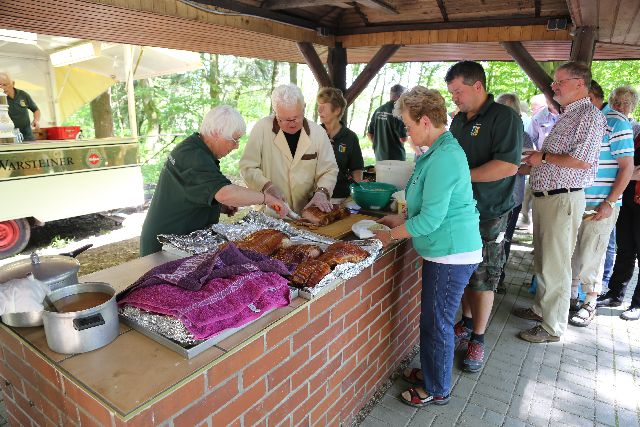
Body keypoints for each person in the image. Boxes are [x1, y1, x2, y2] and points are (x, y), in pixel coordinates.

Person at [373, 86, 481, 408]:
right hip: (444, 250)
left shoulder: (445, 155)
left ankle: (437, 389)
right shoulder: (434, 150)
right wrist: (399, 220)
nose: (405, 133)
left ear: (424, 121)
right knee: (434, 320)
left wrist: (392, 236)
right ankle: (434, 372)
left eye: (407, 125)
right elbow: (424, 204)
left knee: (438, 324)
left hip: (451, 252)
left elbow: (432, 220)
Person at [514, 62, 606, 342]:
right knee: (544, 261)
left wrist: (541, 158)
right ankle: (542, 309)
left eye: (559, 82)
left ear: (580, 84)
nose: (553, 87)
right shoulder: (568, 115)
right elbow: (560, 158)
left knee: (556, 265)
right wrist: (535, 160)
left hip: (562, 198)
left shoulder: (589, 116)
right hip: (549, 197)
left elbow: (582, 160)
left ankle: (553, 326)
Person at [446, 61, 522, 372]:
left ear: (478, 86)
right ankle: (464, 322)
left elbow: (508, 167)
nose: (455, 98)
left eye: (458, 92)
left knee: (484, 276)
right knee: (463, 270)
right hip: (460, 210)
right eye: (451, 93)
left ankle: (478, 338)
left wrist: (463, 177)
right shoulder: (458, 120)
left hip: (490, 211)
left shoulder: (506, 118)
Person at [140, 105, 289, 256]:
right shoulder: (194, 157)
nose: (236, 146)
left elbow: (194, 190)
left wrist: (218, 206)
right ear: (217, 133)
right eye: (234, 140)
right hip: (163, 246)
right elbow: (226, 193)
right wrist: (266, 198)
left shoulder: (195, 149)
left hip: (177, 241)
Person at [567, 83, 635, 327]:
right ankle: (571, 298)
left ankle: (590, 302)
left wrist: (609, 202)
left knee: (592, 253)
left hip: (601, 204)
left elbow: (627, 167)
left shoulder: (617, 123)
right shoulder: (587, 119)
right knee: (573, 251)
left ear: (591, 96)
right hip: (576, 199)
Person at [240, 84, 338, 213]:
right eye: (285, 119)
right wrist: (267, 187)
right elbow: (247, 167)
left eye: (296, 117)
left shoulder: (318, 132)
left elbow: (329, 169)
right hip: (270, 213)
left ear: (304, 108)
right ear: (275, 113)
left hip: (307, 211)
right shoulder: (262, 128)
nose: (292, 124)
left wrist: (322, 192)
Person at [597, 87, 640, 321]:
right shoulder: (621, 128)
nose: (621, 107)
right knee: (624, 249)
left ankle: (637, 304)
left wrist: (627, 171)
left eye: (626, 103)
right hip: (626, 198)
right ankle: (615, 294)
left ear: (633, 106)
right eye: (617, 102)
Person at [495, 93, 534, 294]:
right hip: (491, 196)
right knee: (492, 237)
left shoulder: (524, 136)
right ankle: (489, 276)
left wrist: (511, 167)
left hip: (512, 196)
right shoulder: (492, 132)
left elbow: (530, 167)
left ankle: (498, 277)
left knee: (505, 237)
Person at [316, 87, 364, 200]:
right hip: (315, 196)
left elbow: (356, 169)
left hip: (340, 197)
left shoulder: (350, 137)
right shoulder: (313, 133)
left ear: (337, 110)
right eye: (318, 106)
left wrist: (355, 196)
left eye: (323, 106)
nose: (319, 110)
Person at [367, 84, 409, 161]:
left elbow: (369, 134)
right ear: (401, 96)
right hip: (396, 158)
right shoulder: (398, 112)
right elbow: (403, 139)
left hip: (379, 156)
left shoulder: (378, 110)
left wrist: (378, 145)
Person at [0, 72, 40, 141]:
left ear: (13, 83)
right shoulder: (1, 98)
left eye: (5, 85)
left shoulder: (23, 95)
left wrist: (36, 120)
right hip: (9, 137)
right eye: (0, 85)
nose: (2, 88)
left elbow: (36, 110)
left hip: (27, 136)